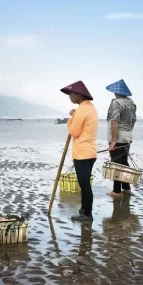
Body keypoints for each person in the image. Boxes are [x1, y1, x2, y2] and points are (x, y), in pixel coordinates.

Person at [60, 80, 98, 221]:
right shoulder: (90, 107)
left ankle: (87, 214)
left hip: (82, 153)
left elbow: (74, 132)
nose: (70, 97)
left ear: (79, 95)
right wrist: (75, 114)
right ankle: (83, 209)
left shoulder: (82, 109)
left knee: (84, 184)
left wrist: (70, 119)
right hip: (91, 151)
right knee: (85, 183)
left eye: (71, 94)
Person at [106, 79, 137, 198]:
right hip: (128, 136)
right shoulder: (131, 102)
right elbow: (133, 120)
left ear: (116, 92)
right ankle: (127, 188)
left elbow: (114, 121)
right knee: (124, 162)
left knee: (116, 164)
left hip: (118, 137)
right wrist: (127, 133)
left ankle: (116, 191)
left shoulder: (116, 102)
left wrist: (113, 141)